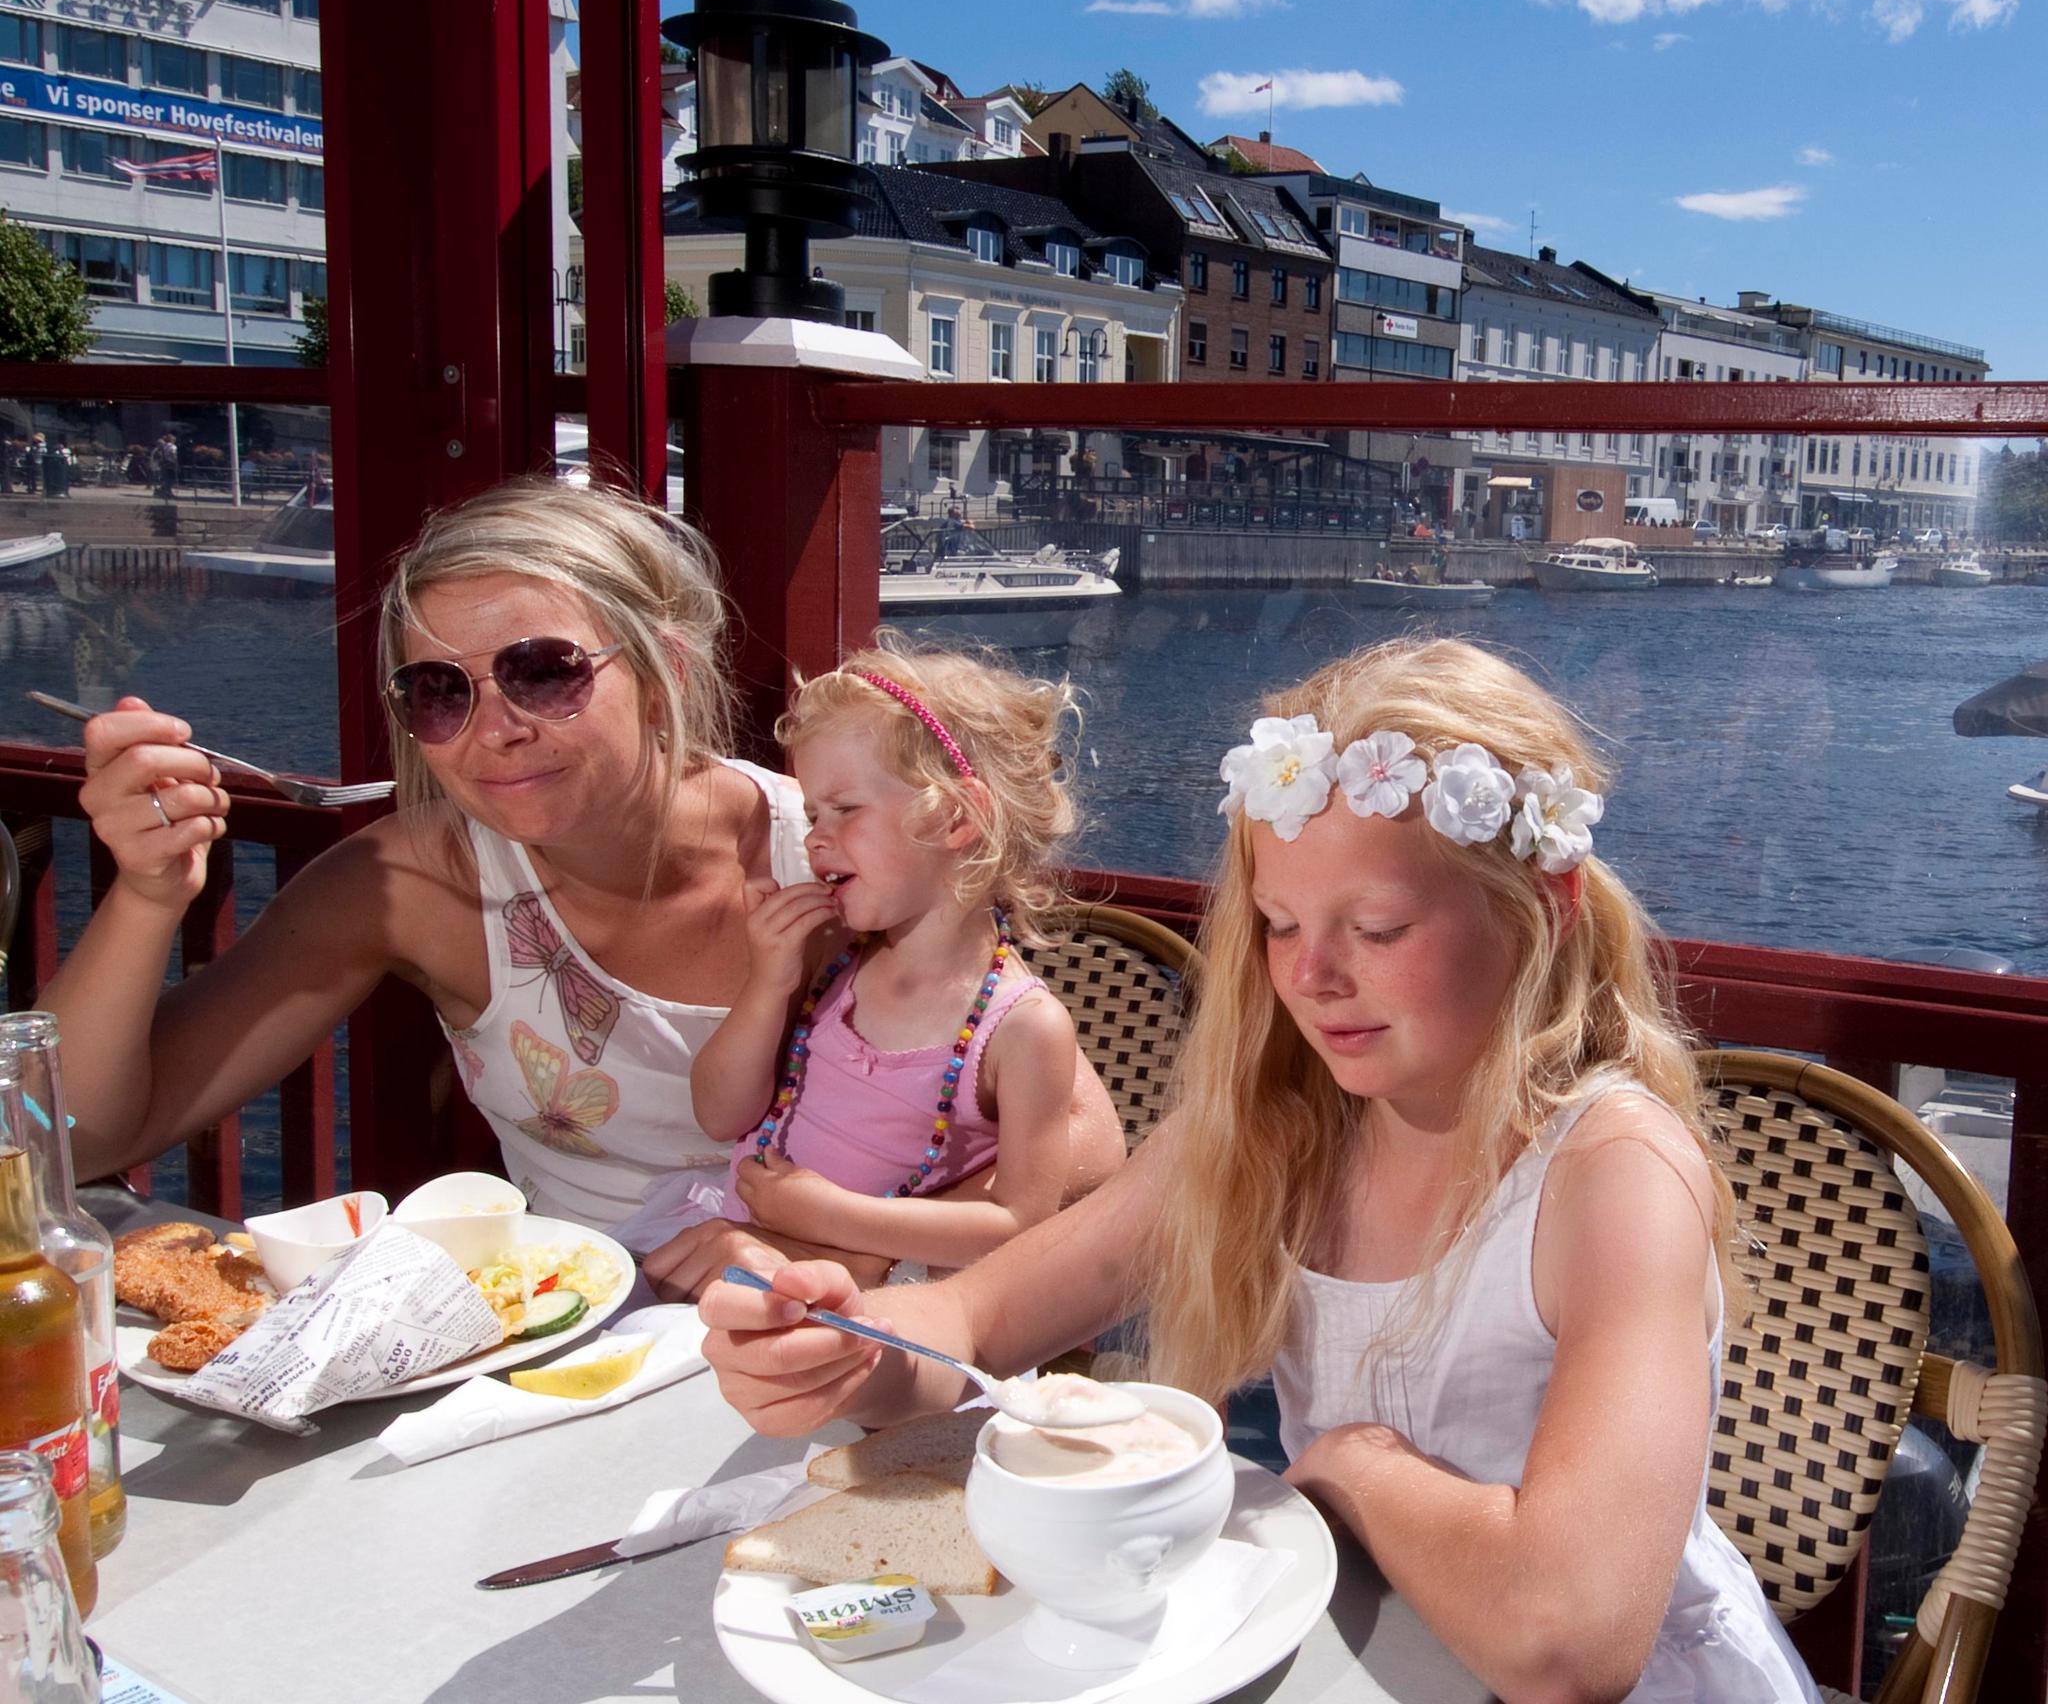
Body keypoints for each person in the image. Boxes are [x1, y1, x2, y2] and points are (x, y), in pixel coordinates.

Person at [702, 637, 1819, 1703]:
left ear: (1540, 908)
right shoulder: (1274, 1122)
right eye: (1280, 925)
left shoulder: (1611, 1173)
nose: (1314, 977)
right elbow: (972, 1322)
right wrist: (848, 1349)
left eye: (1376, 928)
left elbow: (1567, 1640)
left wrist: (1353, 1463)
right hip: (1356, 1649)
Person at [36, 477, 1123, 1299]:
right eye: (438, 691)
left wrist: (821, 1239)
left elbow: (1085, 1145)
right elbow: (79, 1138)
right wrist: (145, 893)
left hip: (844, 1336)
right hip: (572, 1352)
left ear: (663, 671)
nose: (494, 727)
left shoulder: (833, 854)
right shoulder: (410, 884)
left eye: (542, 670)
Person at [681, 641, 1083, 1278]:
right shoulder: (831, 959)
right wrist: (767, 984)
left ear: (955, 817)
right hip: (739, 1258)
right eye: (813, 813)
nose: (815, 836)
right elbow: (718, 1115)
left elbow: (1019, 1225)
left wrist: (830, 1216)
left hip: (880, 1304)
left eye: (845, 808)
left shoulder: (1023, 1029)